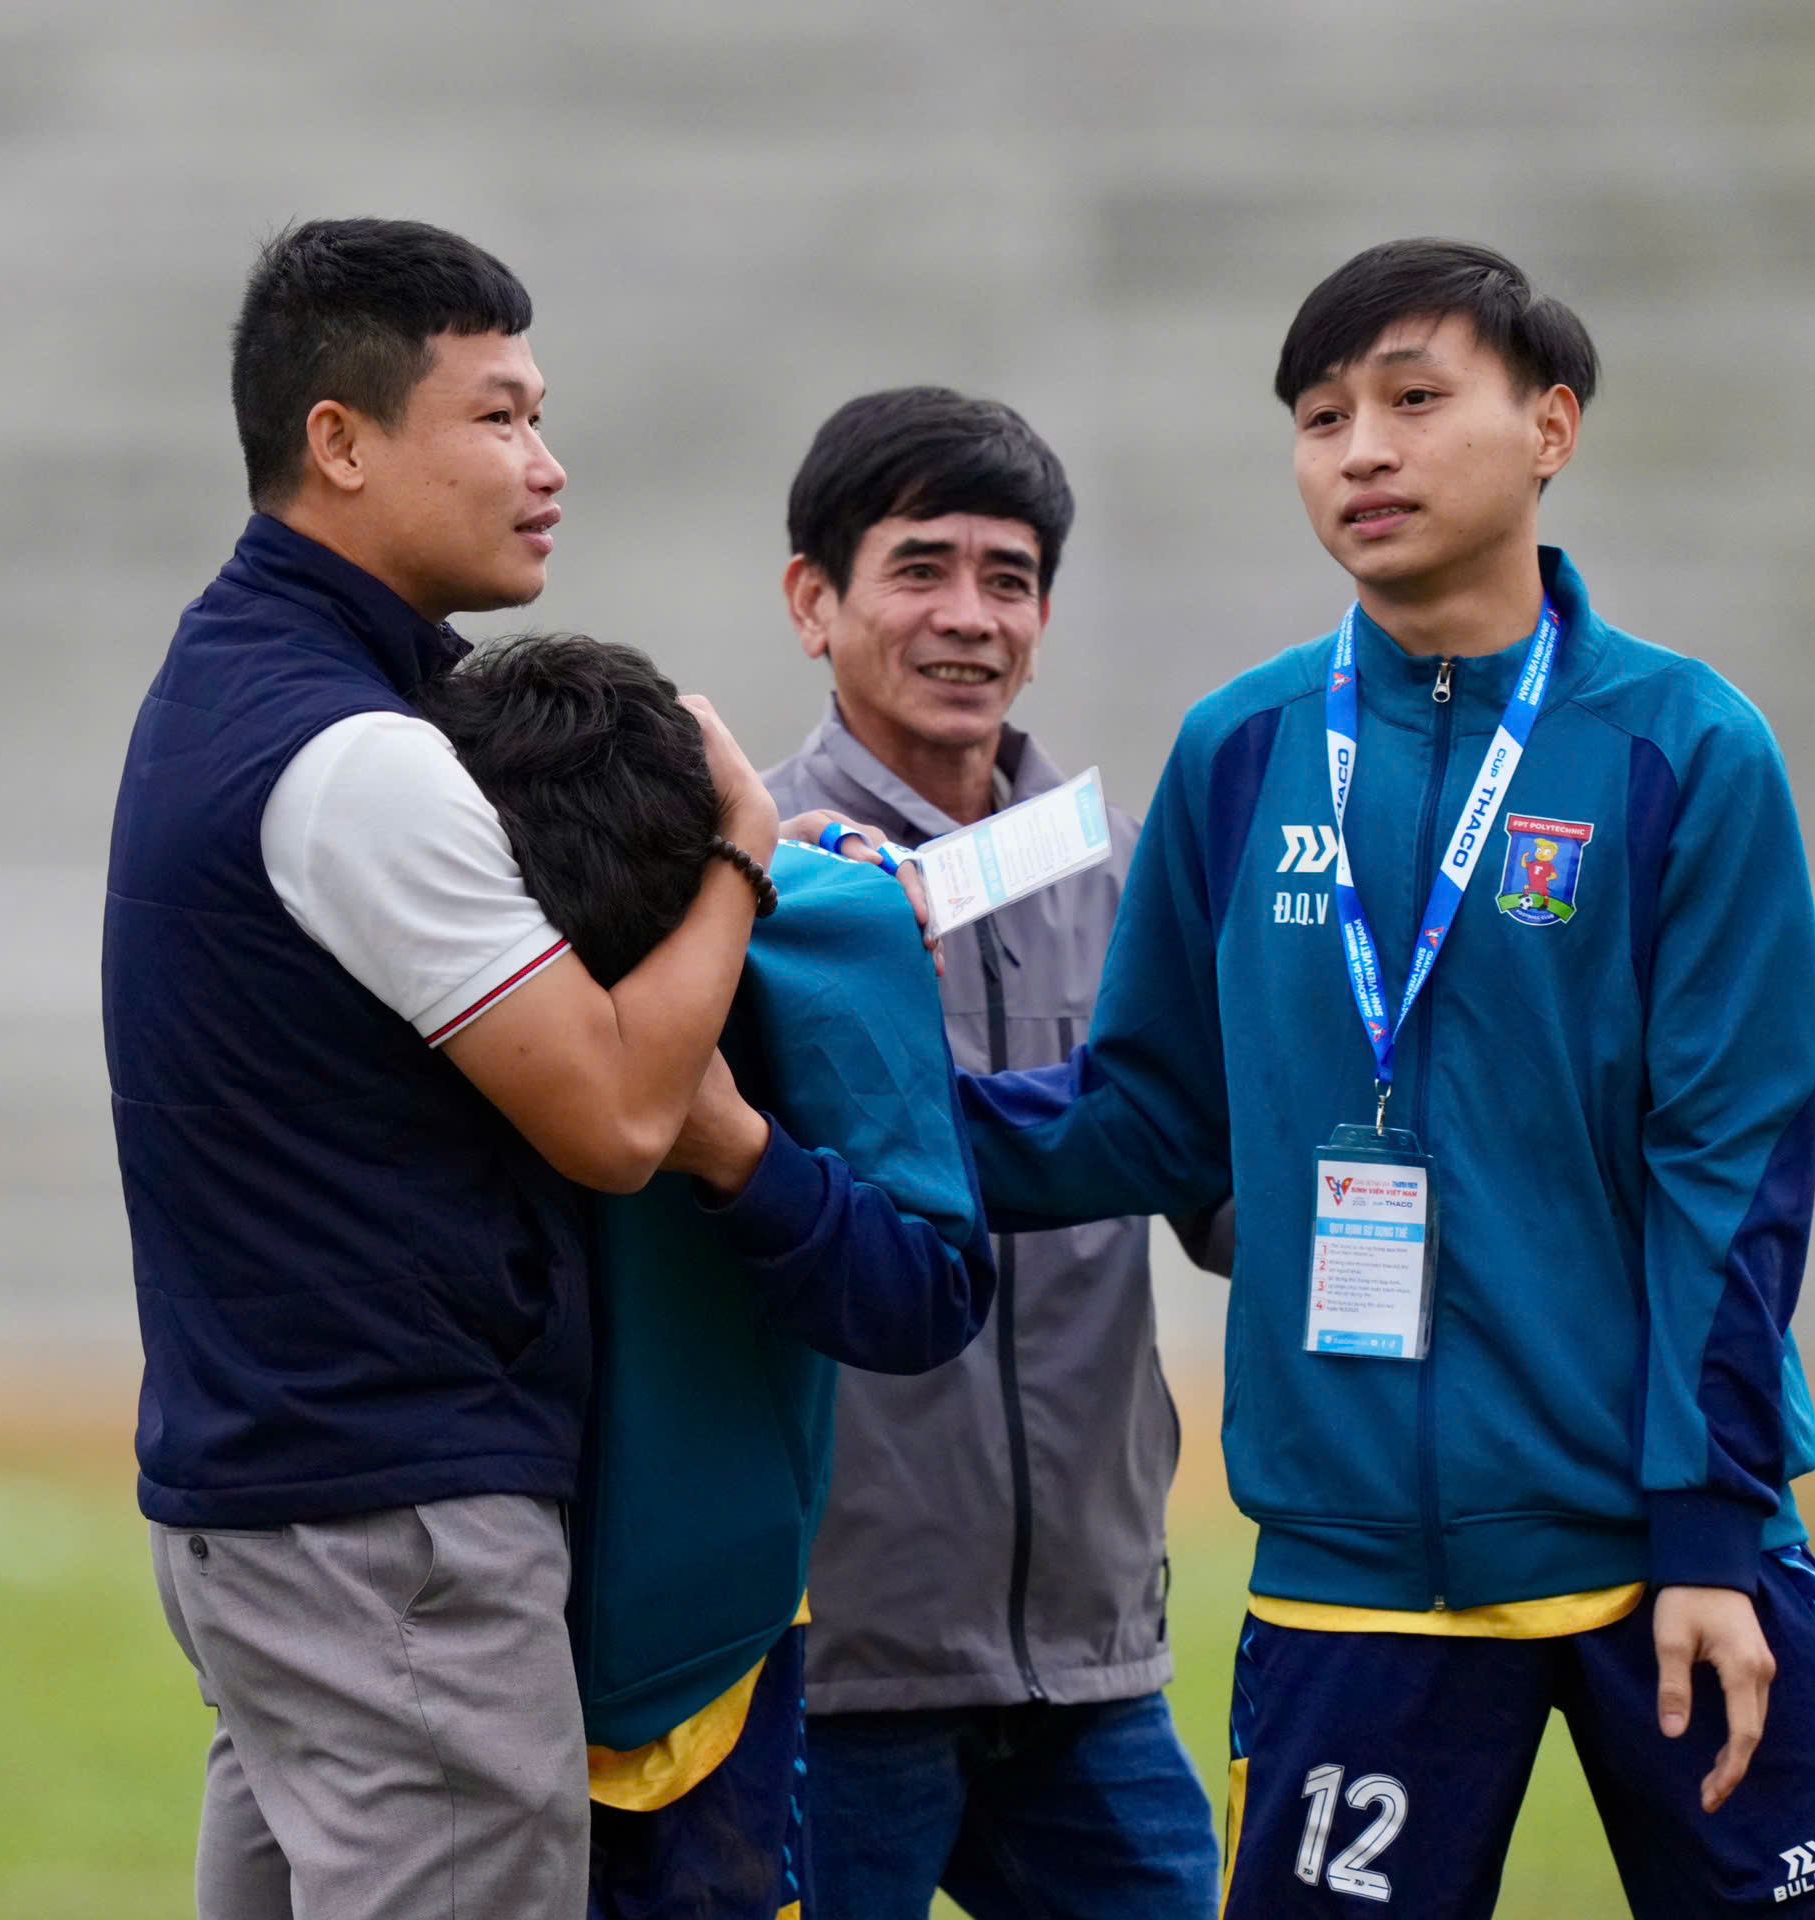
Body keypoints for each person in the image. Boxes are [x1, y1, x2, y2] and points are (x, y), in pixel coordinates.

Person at [953, 239, 1815, 1918]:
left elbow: (1728, 1168)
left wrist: (1710, 1533)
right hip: (1353, 1583)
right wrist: (816, 1124)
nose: (1361, 451)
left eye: (1415, 403)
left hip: (1659, 1560)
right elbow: (1141, 1114)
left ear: (1551, 426)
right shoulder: (1244, 750)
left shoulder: (1682, 749)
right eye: (1322, 416)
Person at [102, 218, 786, 1919]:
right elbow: (624, 1117)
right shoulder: (356, 759)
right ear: (338, 441)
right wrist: (743, 855)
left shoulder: (243, 670)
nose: (546, 468)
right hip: (387, 1529)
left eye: (539, 416)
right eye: (495, 418)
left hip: (287, 1505)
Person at [421, 631, 998, 1920]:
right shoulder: (419, 935)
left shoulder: (828, 932)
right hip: (457, 1625)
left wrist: (743, 1155)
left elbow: (929, 1292)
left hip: (714, 1648)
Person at [761, 387, 1228, 1919]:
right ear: (813, 601)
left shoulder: (1127, 876)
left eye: (1010, 578)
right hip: (830, 1666)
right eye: (921, 568)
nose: (970, 616)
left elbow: (1215, 1195)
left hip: (1091, 1663)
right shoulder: (738, 875)